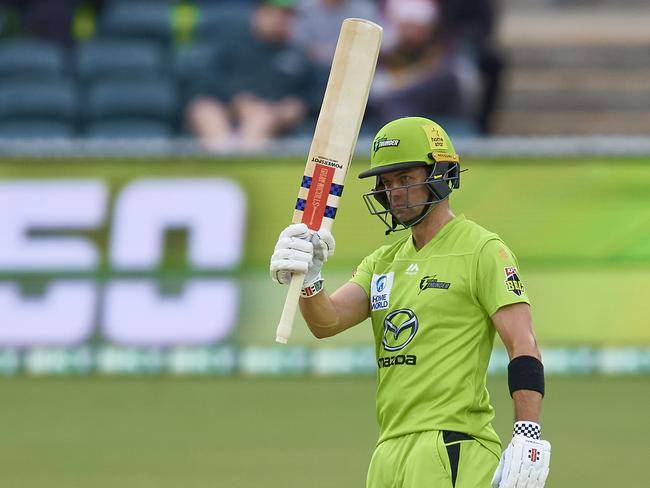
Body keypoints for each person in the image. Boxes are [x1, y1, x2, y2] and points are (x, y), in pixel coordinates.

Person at [270, 117, 551, 487]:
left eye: (405, 179)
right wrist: (310, 280)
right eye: (387, 183)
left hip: (451, 445)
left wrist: (526, 434)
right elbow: (327, 322)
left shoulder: (482, 249)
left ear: (440, 173)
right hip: (388, 450)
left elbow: (523, 345)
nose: (394, 192)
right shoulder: (383, 262)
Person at [186, 0, 321, 151]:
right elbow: (207, 84)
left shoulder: (297, 55)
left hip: (271, 114)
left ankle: (239, 164)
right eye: (275, 13)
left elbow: (314, 95)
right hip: (228, 110)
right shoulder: (233, 48)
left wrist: (297, 106)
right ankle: (222, 159)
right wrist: (237, 100)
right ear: (258, 14)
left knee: (259, 117)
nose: (281, 20)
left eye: (287, 15)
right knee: (204, 109)